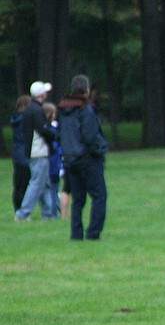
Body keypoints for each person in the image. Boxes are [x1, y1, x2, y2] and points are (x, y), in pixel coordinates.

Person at [57, 75, 108, 240]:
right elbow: (89, 135)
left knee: (78, 199)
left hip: (70, 158)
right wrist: (99, 150)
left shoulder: (62, 109)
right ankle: (93, 233)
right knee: (99, 195)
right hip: (87, 158)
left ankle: (76, 233)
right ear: (86, 90)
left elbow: (59, 134)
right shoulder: (86, 109)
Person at [15, 81, 58, 221]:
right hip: (38, 151)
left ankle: (48, 213)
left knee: (44, 183)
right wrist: (55, 135)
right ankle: (23, 213)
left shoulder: (30, 109)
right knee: (37, 183)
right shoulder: (37, 110)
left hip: (33, 151)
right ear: (43, 95)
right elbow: (42, 129)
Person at [10, 95, 32, 212]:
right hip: (25, 154)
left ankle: (17, 207)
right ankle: (22, 209)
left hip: (17, 153)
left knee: (18, 184)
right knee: (25, 184)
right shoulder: (26, 119)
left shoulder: (15, 118)